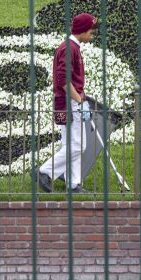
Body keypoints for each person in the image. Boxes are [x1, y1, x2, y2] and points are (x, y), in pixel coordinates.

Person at [37, 12, 95, 193]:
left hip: (69, 100)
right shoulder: (70, 49)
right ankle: (45, 172)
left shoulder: (71, 47)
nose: (92, 34)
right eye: (91, 30)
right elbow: (63, 80)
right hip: (70, 102)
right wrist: (80, 102)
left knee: (71, 144)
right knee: (78, 145)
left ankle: (73, 183)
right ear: (82, 30)